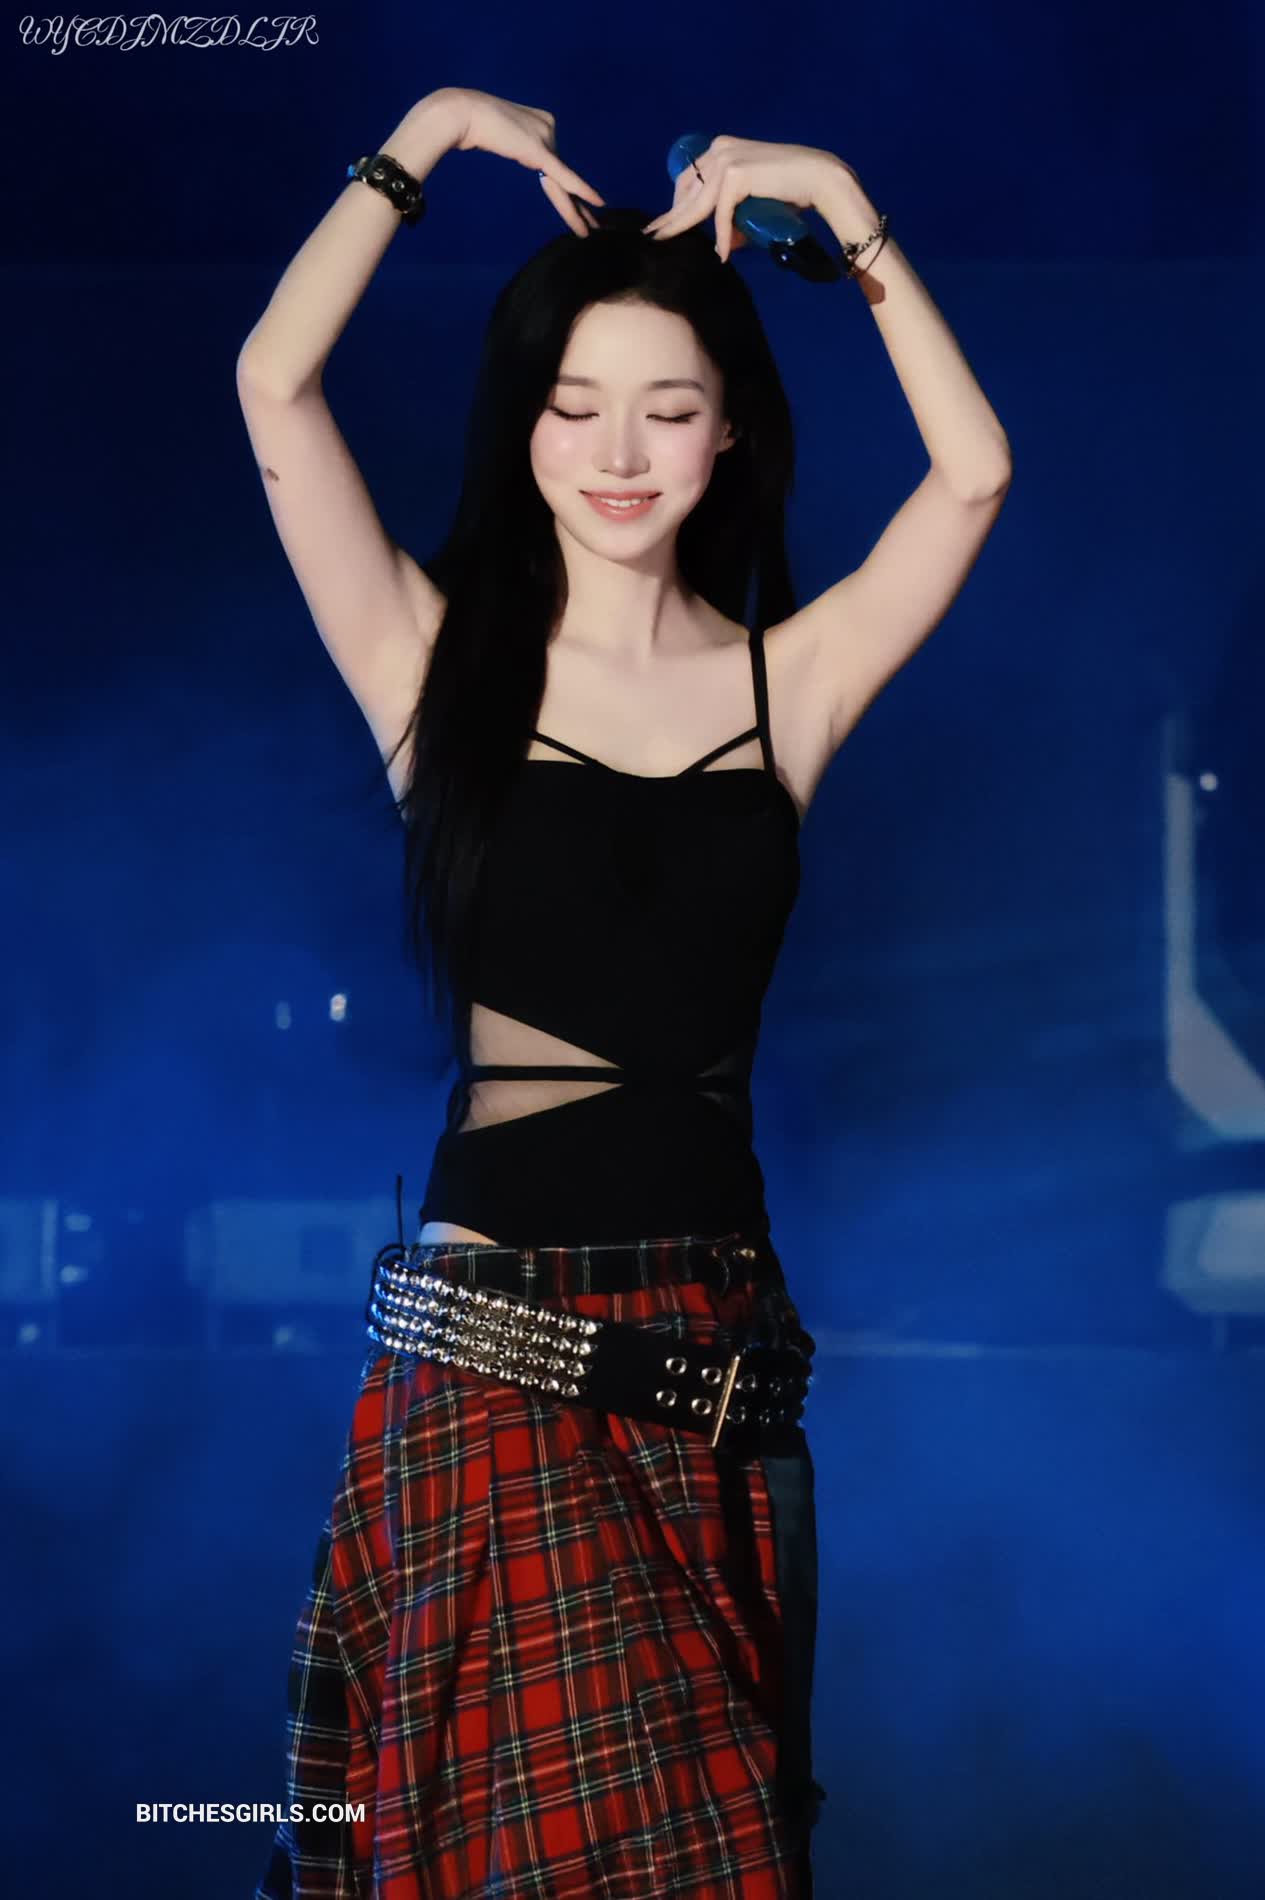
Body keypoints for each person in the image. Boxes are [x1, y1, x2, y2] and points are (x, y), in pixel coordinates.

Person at [237, 84, 1011, 1900]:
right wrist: (425, 137)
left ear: (728, 431)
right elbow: (275, 383)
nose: (618, 451)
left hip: (719, 1357)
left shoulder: (788, 685)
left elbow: (972, 476)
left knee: (726, 1852)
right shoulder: (429, 663)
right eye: (573, 406)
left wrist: (838, 203)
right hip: (493, 1353)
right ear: (521, 427)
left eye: (667, 408)